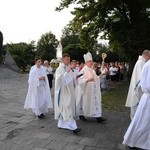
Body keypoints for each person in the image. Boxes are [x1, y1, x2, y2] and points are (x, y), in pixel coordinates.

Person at [122, 59, 150, 150]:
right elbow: (147, 85)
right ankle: (132, 141)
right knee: (142, 122)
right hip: (148, 98)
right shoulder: (147, 64)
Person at [76, 52, 106, 123]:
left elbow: (95, 79)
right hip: (87, 91)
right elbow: (78, 79)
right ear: (86, 62)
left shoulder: (92, 70)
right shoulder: (83, 70)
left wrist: (99, 76)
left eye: (92, 61)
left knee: (95, 102)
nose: (91, 63)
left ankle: (98, 116)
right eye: (90, 61)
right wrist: (87, 80)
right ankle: (81, 115)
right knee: (86, 103)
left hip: (94, 90)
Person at [54, 54, 81, 134]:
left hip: (70, 91)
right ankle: (74, 127)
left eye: (69, 60)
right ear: (62, 60)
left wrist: (76, 78)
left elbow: (72, 79)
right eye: (66, 60)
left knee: (65, 109)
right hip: (63, 93)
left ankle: (61, 123)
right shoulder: (59, 69)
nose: (68, 61)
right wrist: (66, 72)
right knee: (67, 108)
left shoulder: (69, 68)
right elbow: (59, 81)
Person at [125, 50, 150, 120]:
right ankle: (135, 119)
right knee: (136, 102)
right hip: (138, 88)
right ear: (146, 55)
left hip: (139, 87)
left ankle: (136, 118)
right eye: (149, 56)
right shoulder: (141, 63)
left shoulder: (142, 62)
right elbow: (141, 78)